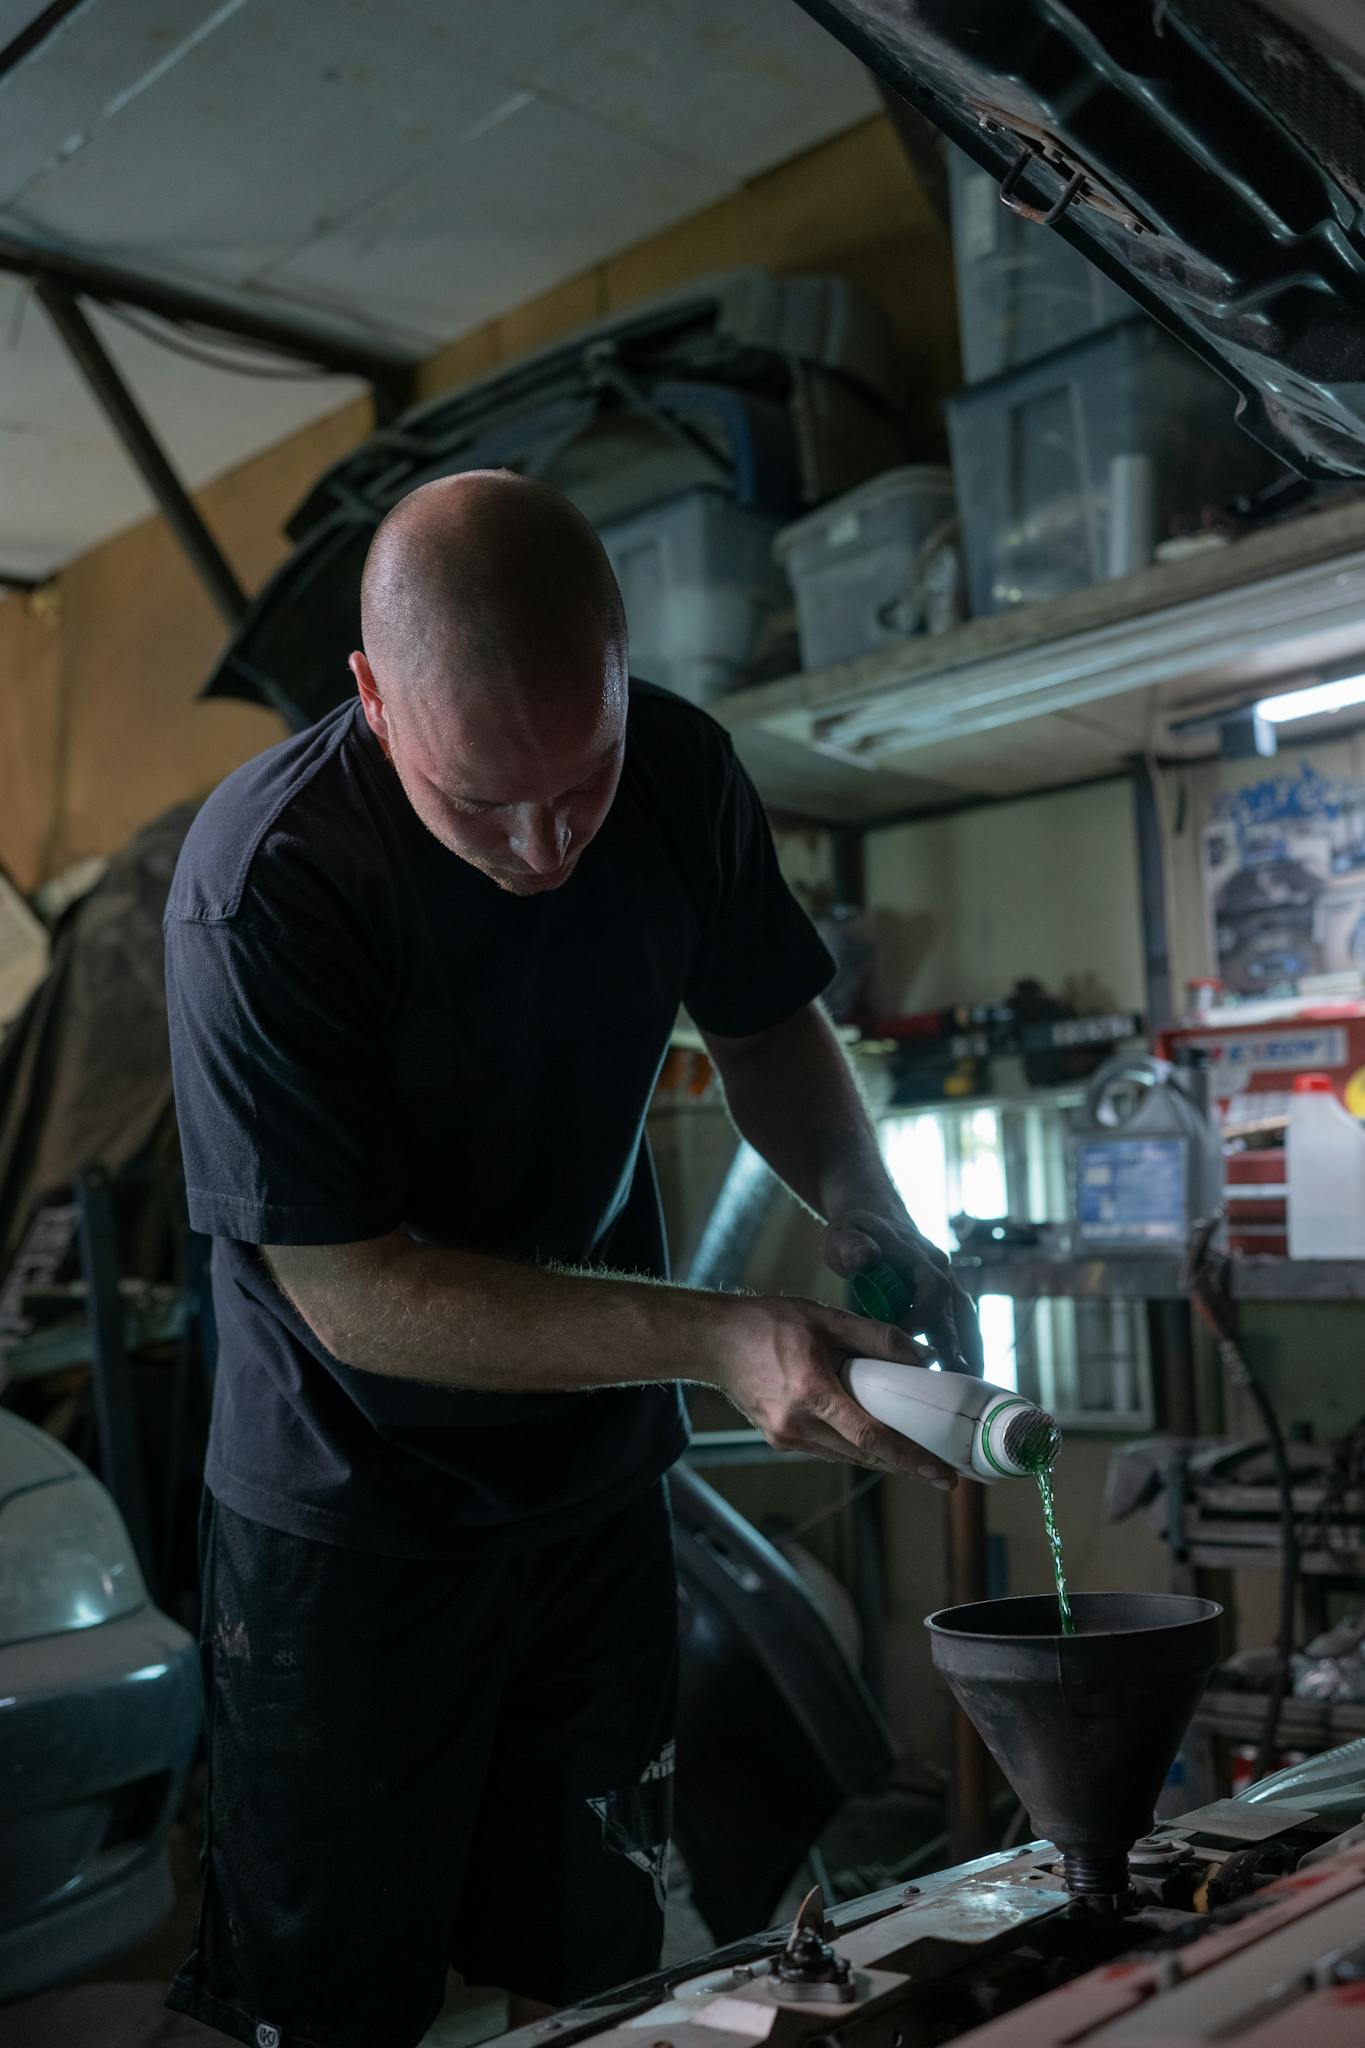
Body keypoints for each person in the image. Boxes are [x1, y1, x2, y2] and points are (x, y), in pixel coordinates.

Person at [162, 471, 981, 2048]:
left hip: (588, 1477)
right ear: (372, 699)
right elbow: (353, 1290)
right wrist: (726, 1339)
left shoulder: (678, 773)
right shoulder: (268, 884)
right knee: (328, 1993)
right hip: (347, 1509)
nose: (542, 846)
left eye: (581, 782)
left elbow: (763, 1024)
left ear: (621, 670)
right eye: (481, 801)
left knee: (600, 1947)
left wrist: (859, 1201)